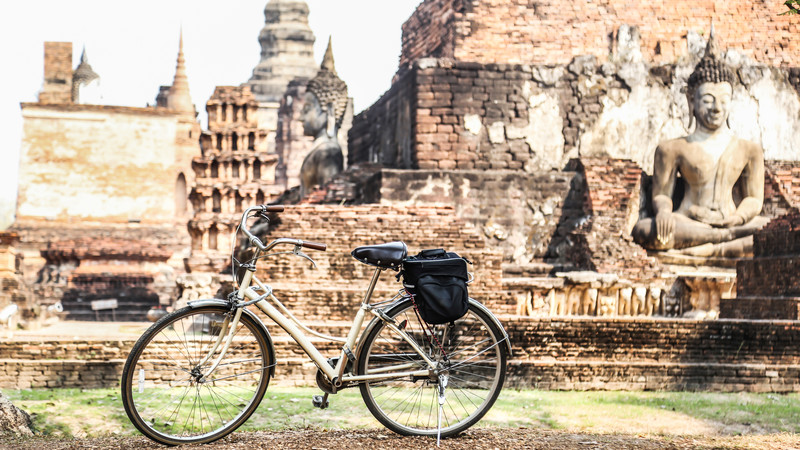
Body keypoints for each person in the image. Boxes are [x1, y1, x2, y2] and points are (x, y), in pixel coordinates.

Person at [632, 28, 768, 257]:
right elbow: (662, 193)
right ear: (691, 100)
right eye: (708, 100)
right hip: (689, 221)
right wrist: (664, 212)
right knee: (644, 229)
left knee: (769, 230)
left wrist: (737, 218)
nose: (716, 108)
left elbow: (754, 199)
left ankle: (709, 245)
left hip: (733, 223)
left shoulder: (750, 150)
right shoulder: (672, 148)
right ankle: (721, 245)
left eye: (723, 101)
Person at [299, 38, 348, 197]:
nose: (301, 117)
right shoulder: (318, 150)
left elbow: (328, 196)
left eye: (307, 110)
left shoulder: (329, 151)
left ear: (329, 111)